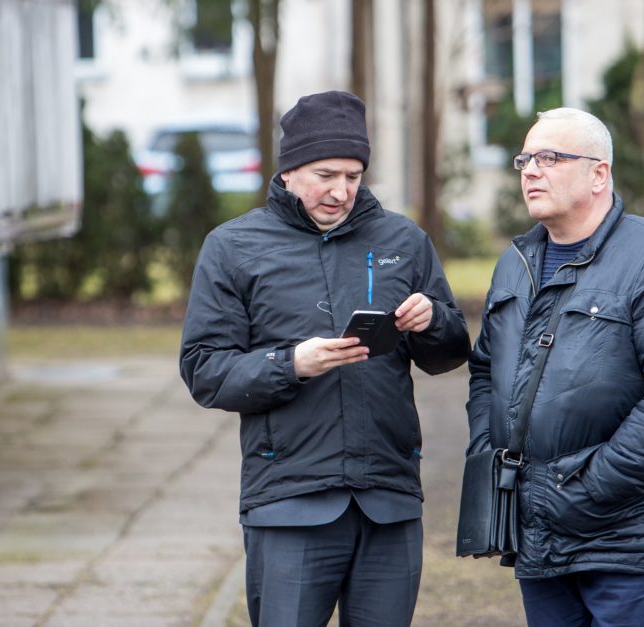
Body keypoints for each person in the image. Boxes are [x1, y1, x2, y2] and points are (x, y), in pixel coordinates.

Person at [180, 90, 470, 626]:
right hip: (288, 502)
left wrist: (434, 321)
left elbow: (449, 354)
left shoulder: (403, 240)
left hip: (389, 498)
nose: (341, 192)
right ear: (288, 171)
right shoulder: (232, 247)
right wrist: (289, 364)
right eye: (326, 175)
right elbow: (203, 369)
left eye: (354, 177)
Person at [465, 107, 644, 626]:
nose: (530, 171)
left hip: (620, 535)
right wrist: (491, 461)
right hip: (534, 532)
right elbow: (484, 372)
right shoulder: (514, 265)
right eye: (525, 159)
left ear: (599, 173)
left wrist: (589, 486)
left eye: (549, 158)